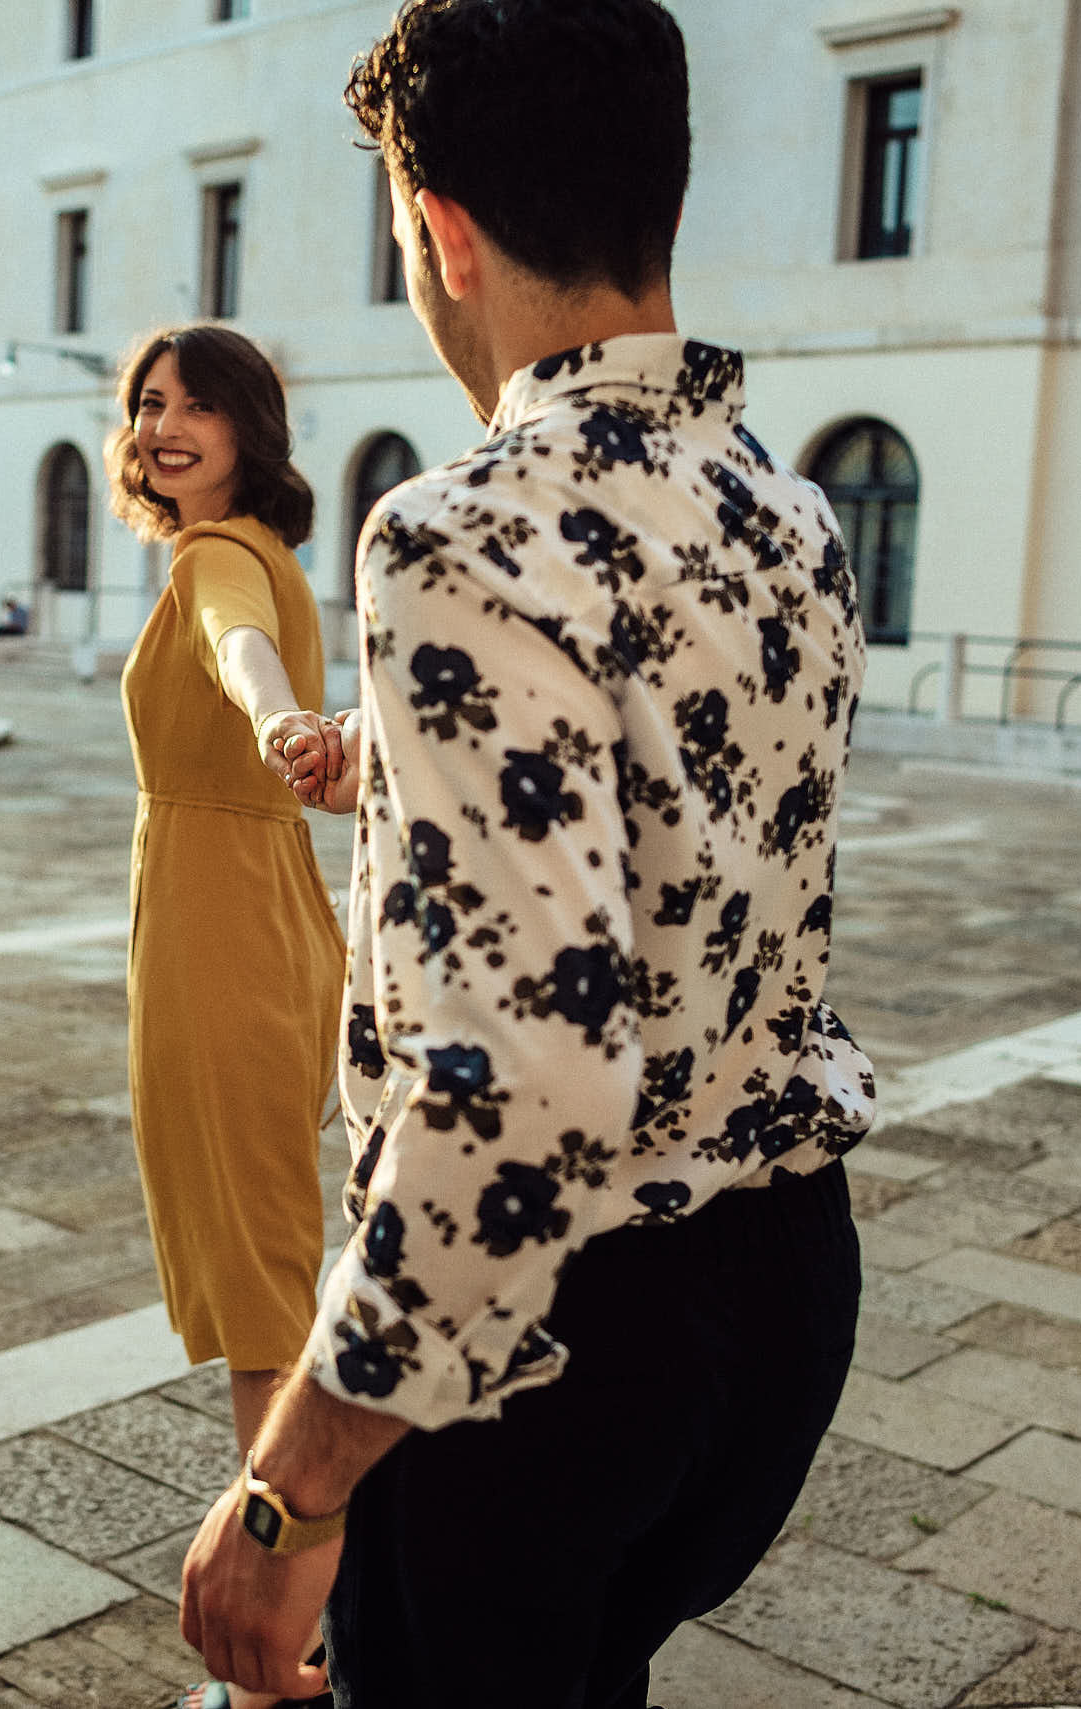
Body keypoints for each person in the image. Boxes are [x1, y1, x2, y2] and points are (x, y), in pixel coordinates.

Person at [180, 4, 878, 1705]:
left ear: (445, 231)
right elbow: (669, 850)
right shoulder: (794, 517)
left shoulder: (457, 533)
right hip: (780, 1297)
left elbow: (525, 1081)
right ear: (666, 210)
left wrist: (289, 1490)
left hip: (554, 1341)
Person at [107, 324, 349, 1645]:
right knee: (268, 1278)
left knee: (262, 1299)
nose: (163, 421)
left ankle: (285, 1636)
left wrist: (273, 720)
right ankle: (308, 1603)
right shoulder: (260, 550)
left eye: (195, 402)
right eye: (148, 401)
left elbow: (237, 646)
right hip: (254, 914)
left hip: (224, 942)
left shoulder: (217, 558)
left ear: (251, 425)